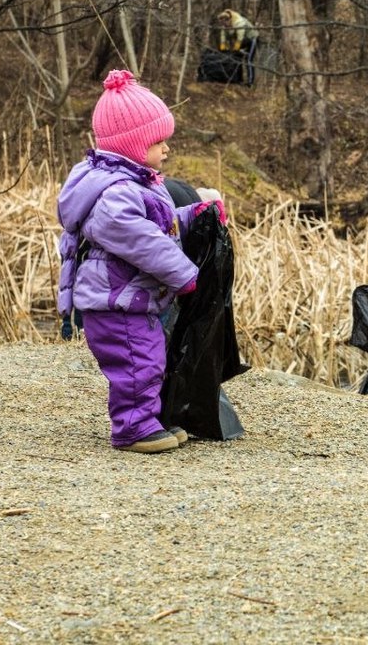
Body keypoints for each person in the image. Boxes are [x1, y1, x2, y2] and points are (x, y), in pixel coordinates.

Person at [57, 69, 225, 454]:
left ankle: (149, 420)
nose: (166, 149)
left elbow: (161, 227)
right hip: (114, 301)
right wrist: (185, 275)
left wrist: (198, 214)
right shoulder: (116, 196)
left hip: (128, 297)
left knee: (150, 359)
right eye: (158, 141)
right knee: (137, 364)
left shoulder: (137, 185)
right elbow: (145, 242)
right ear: (132, 145)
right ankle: (132, 429)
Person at [215, 8, 259, 86]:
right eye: (222, 24)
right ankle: (239, 80)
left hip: (251, 39)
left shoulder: (239, 22)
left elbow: (240, 38)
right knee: (236, 58)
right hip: (243, 40)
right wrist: (223, 48)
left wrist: (236, 49)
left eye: (225, 23)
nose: (224, 26)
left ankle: (250, 83)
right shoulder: (225, 25)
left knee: (248, 60)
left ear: (228, 20)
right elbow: (223, 37)